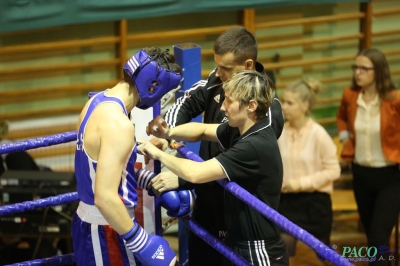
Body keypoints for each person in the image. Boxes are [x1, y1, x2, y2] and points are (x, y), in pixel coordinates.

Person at [148, 26, 284, 266]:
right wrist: (168, 132)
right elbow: (202, 128)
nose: (222, 106)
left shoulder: (261, 129)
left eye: (229, 101)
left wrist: (178, 175)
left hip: (250, 233)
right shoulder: (223, 88)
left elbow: (213, 167)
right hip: (217, 211)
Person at [72, 47, 194, 266]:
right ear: (153, 85)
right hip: (107, 229)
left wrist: (149, 181)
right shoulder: (119, 125)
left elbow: (105, 169)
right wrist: (142, 243)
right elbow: (105, 197)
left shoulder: (95, 102)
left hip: (94, 225)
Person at [336, 48, 400, 265]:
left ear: (379, 71)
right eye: (356, 67)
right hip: (361, 174)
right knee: (372, 239)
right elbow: (342, 117)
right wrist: (345, 139)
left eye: (364, 68)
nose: (358, 72)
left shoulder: (395, 99)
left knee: (378, 237)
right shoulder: (350, 95)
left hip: (390, 177)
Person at [277, 78, 340, 261]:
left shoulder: (319, 134)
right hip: (286, 203)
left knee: (325, 255)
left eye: (290, 103)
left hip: (315, 204)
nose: (285, 107)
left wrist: (299, 183)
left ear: (305, 106)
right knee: (282, 252)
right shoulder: (279, 132)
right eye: (284, 102)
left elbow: (333, 171)